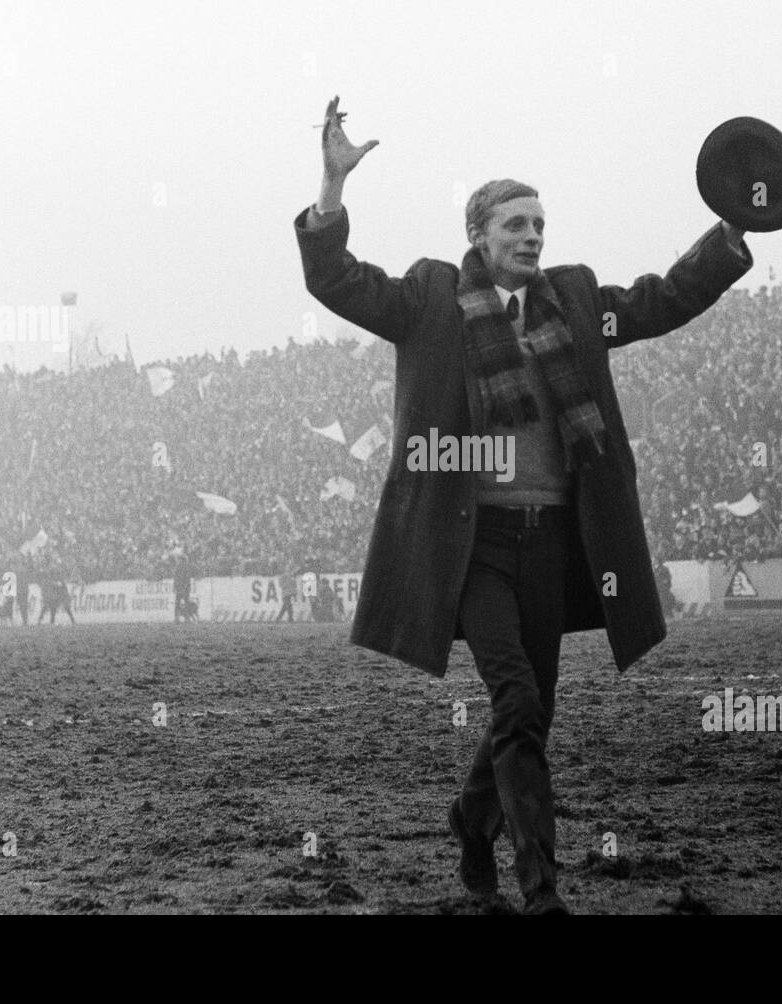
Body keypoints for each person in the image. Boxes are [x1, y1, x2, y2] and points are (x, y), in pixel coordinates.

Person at [295, 97, 752, 914]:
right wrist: (331, 187)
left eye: (540, 223)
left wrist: (728, 237)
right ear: (479, 234)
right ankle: (540, 891)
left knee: (530, 711)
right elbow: (335, 279)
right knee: (516, 699)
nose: (534, 236)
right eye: (516, 224)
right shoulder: (430, 299)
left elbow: (660, 300)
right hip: (471, 547)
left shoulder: (574, 301)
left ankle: (472, 824)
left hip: (551, 544)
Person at [173, 553, 193, 623]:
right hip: (185, 587)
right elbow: (188, 578)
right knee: (186, 603)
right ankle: (187, 618)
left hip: (179, 587)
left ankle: (176, 618)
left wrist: (175, 587)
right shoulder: (186, 567)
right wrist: (188, 586)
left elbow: (175, 578)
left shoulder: (177, 567)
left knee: (177, 603)